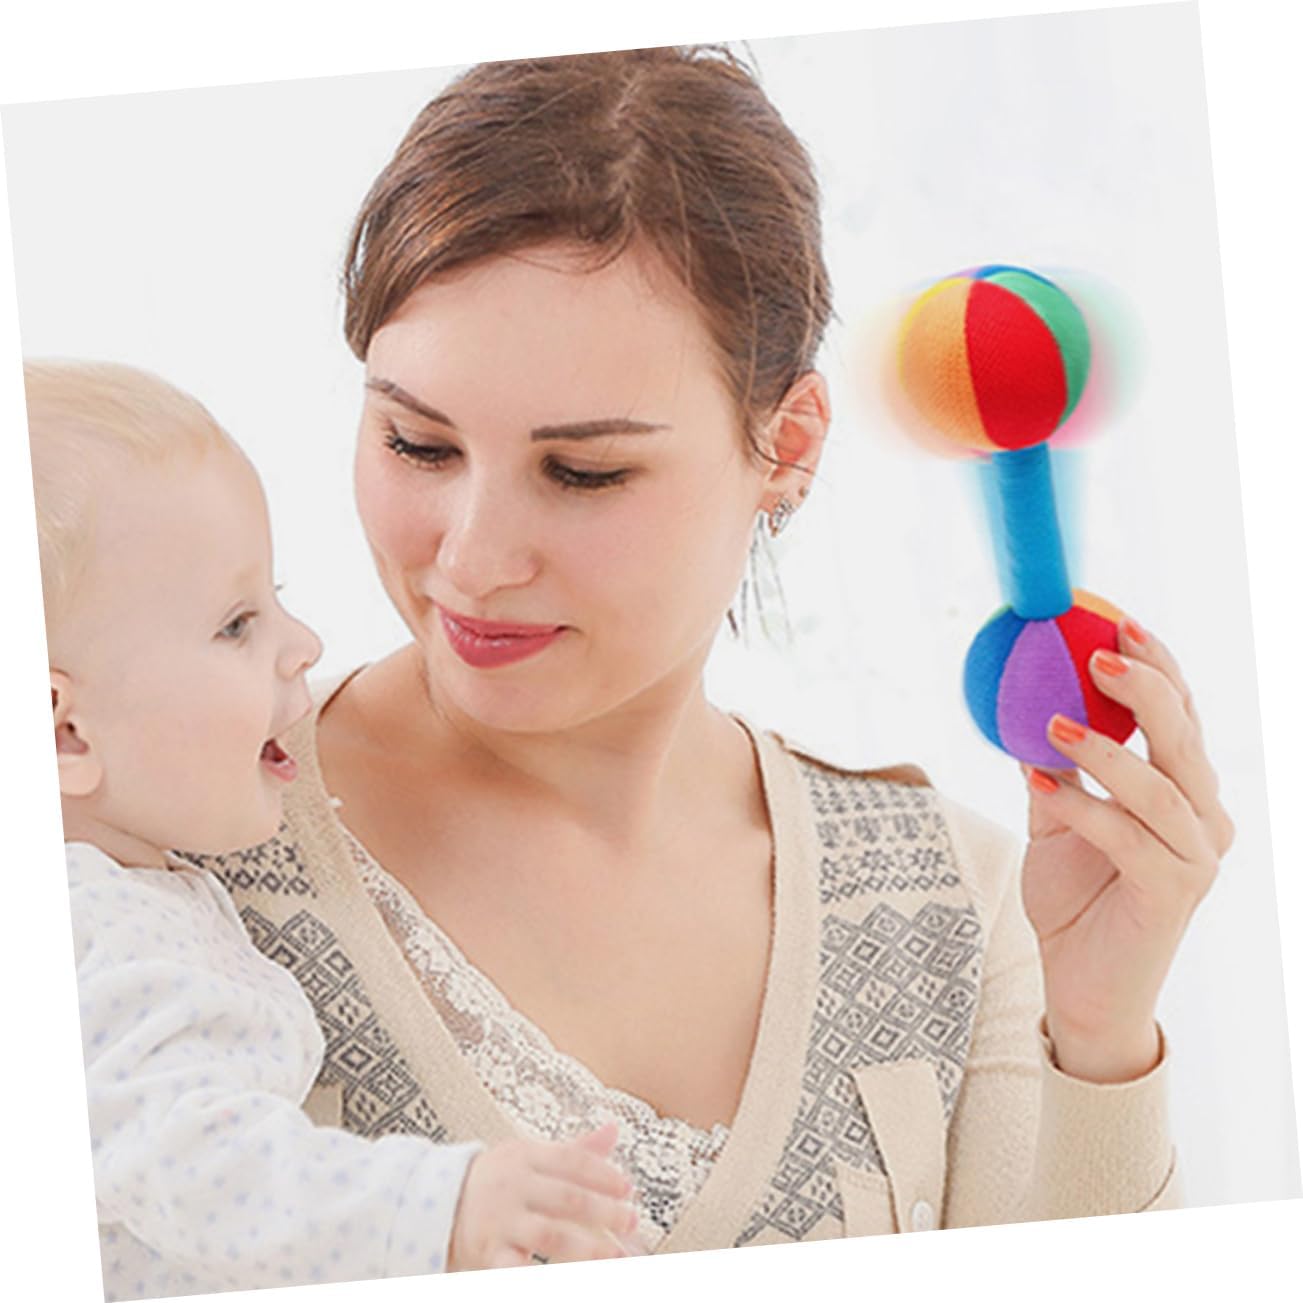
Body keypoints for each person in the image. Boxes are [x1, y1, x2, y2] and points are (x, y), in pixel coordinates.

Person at [202, 45, 1235, 1260]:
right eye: (417, 443)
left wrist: (1099, 1041)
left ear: (787, 446)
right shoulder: (176, 843)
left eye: (583, 470)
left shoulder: (950, 895)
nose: (471, 562)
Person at [29, 360, 641, 1299]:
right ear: (64, 731)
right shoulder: (102, 932)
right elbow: (201, 1170)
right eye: (237, 624)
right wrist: (441, 1205)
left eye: (275, 598)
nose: (303, 645)